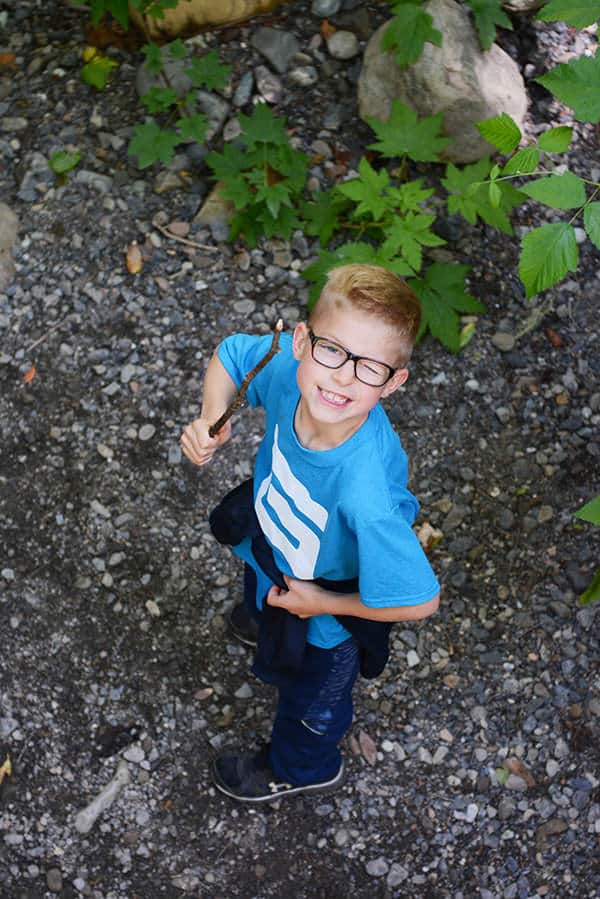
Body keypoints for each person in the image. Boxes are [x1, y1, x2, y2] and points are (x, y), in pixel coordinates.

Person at [180, 263, 440, 803]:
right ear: (301, 341)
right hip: (278, 548)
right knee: (262, 589)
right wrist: (211, 417)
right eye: (333, 350)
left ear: (394, 382)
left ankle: (302, 767)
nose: (343, 376)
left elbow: (420, 601)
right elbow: (232, 353)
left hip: (326, 610)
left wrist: (321, 601)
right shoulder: (287, 375)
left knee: (311, 704)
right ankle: (262, 615)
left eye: (369, 368)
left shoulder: (365, 495)